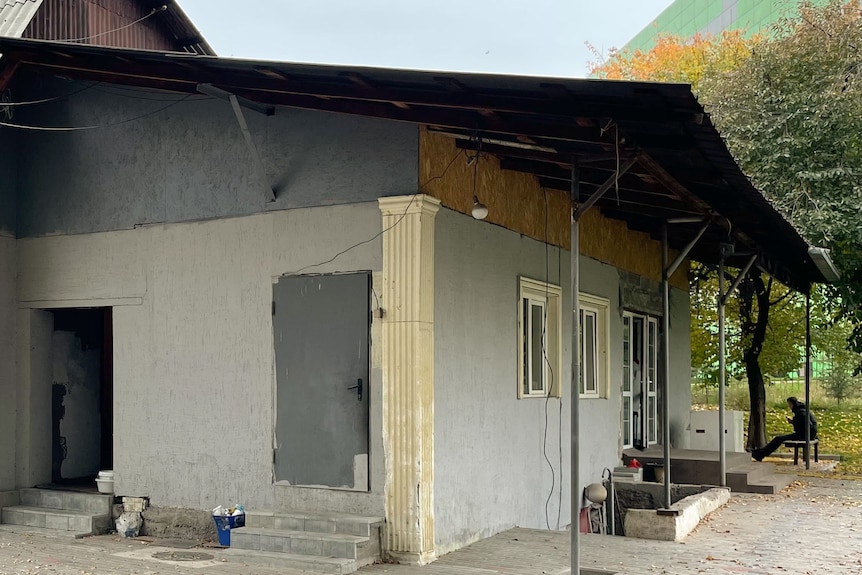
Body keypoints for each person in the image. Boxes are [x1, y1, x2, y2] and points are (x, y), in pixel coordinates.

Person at [752, 397, 817, 462]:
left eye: (789, 404)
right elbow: (803, 423)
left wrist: (794, 423)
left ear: (792, 404)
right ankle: (760, 453)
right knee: (779, 438)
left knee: (778, 439)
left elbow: (807, 425)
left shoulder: (800, 412)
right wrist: (793, 422)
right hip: (806, 434)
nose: (789, 407)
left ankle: (760, 454)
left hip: (804, 435)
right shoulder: (802, 410)